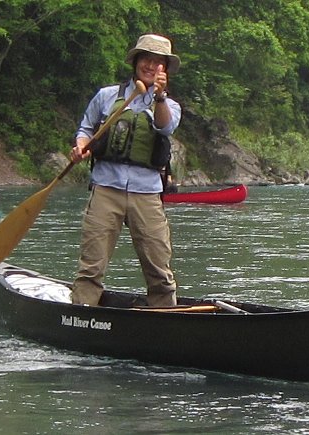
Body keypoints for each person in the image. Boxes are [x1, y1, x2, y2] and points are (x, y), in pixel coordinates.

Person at [69, 34, 182, 307]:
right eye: (146, 59)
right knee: (91, 266)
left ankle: (165, 315)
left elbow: (165, 127)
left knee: (159, 268)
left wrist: (159, 97)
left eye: (158, 62)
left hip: (147, 192)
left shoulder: (169, 105)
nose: (150, 66)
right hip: (106, 187)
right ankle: (83, 313)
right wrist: (81, 146)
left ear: (165, 69)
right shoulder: (107, 96)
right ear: (136, 61)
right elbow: (86, 129)